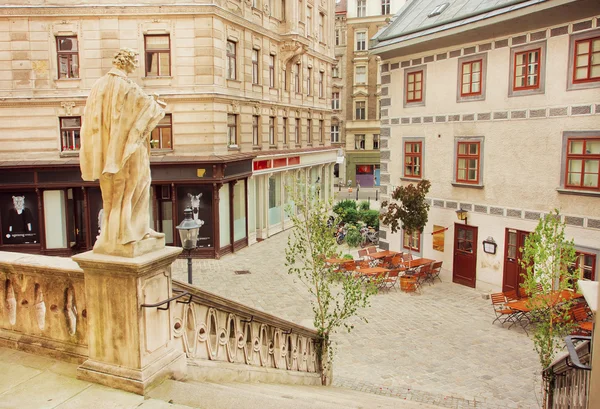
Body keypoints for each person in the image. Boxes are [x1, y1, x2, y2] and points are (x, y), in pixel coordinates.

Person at [80, 48, 165, 255]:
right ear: (126, 63)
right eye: (134, 62)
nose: (135, 67)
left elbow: (90, 122)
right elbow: (147, 111)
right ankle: (132, 232)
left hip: (106, 153)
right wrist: (158, 103)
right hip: (128, 150)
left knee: (111, 196)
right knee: (136, 187)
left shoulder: (98, 86)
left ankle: (111, 236)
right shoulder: (128, 86)